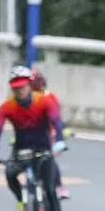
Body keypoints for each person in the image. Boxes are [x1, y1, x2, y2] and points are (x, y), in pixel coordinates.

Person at [0, 65, 69, 211]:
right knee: (9, 173)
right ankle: (21, 200)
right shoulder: (7, 107)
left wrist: (59, 141)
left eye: (22, 87)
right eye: (15, 88)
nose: (19, 91)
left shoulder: (44, 101)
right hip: (21, 151)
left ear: (30, 85)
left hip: (44, 150)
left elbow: (56, 121)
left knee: (50, 191)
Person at [31, 68, 70, 199]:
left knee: (49, 158)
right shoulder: (25, 98)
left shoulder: (49, 97)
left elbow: (56, 119)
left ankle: (59, 187)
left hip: (49, 132)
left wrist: (59, 135)